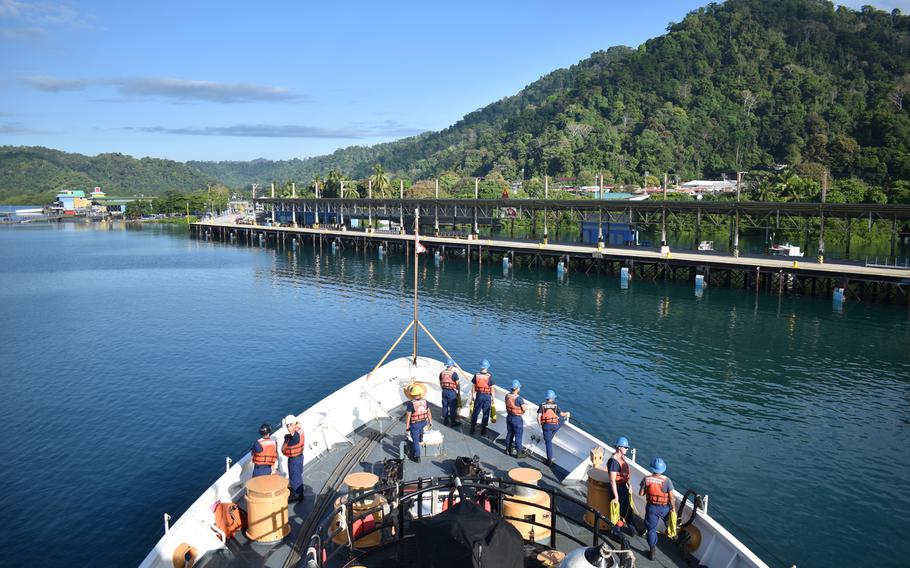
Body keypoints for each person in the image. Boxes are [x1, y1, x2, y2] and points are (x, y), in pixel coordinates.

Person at [639, 457, 676, 561]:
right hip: (665, 508)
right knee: (670, 523)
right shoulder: (667, 480)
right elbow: (671, 497)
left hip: (651, 508)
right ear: (662, 469)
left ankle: (652, 551)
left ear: (652, 468)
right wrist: (673, 508)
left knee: (651, 530)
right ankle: (675, 536)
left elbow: (641, 493)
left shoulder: (646, 479)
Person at [606, 436, 637, 537]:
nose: (627, 449)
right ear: (619, 447)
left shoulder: (621, 458)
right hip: (617, 489)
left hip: (624, 487)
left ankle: (632, 528)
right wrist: (616, 496)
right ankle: (615, 532)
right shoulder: (614, 461)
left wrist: (629, 484)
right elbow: (612, 480)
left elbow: (624, 474)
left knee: (627, 508)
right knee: (617, 511)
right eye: (625, 447)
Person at [537, 390, 570, 465]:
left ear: (547, 398)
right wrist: (567, 413)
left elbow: (538, 417)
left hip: (546, 427)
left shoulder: (542, 405)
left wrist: (540, 425)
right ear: (552, 398)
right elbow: (562, 414)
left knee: (548, 443)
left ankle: (549, 461)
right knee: (561, 420)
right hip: (555, 426)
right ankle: (550, 436)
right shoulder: (555, 406)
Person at [404, 384, 432, 462]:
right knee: (421, 431)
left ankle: (417, 456)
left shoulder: (411, 403)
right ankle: (421, 438)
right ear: (420, 393)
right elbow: (429, 412)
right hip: (424, 422)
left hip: (415, 424)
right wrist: (430, 421)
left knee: (415, 440)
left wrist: (407, 426)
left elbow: (408, 416)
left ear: (412, 395)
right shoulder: (425, 401)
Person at [282, 414, 305, 502]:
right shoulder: (299, 431)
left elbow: (292, 440)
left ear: (291, 425)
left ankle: (297, 496)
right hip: (299, 457)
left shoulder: (295, 437)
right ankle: (300, 492)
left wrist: (288, 437)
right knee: (298, 476)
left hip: (294, 460)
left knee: (294, 477)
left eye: (288, 425)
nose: (287, 427)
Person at [470, 360, 494, 435]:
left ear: (480, 367)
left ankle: (472, 428)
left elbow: (473, 387)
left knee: (475, 412)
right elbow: (492, 388)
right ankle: (483, 430)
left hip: (479, 395)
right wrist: (493, 398)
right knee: (485, 413)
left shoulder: (476, 375)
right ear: (487, 367)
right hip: (487, 396)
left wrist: (472, 396)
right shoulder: (489, 376)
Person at [504, 380, 528, 457]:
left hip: (509, 417)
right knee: (518, 436)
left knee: (509, 433)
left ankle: (508, 449)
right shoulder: (519, 399)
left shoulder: (507, 396)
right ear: (517, 389)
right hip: (517, 419)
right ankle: (519, 453)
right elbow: (524, 409)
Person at [438, 358, 460, 426]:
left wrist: (443, 389)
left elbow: (440, 382)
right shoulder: (454, 374)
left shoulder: (442, 373)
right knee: (452, 407)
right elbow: (457, 384)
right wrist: (458, 392)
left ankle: (445, 420)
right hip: (451, 392)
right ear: (451, 366)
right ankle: (452, 422)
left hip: (444, 391)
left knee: (445, 405)